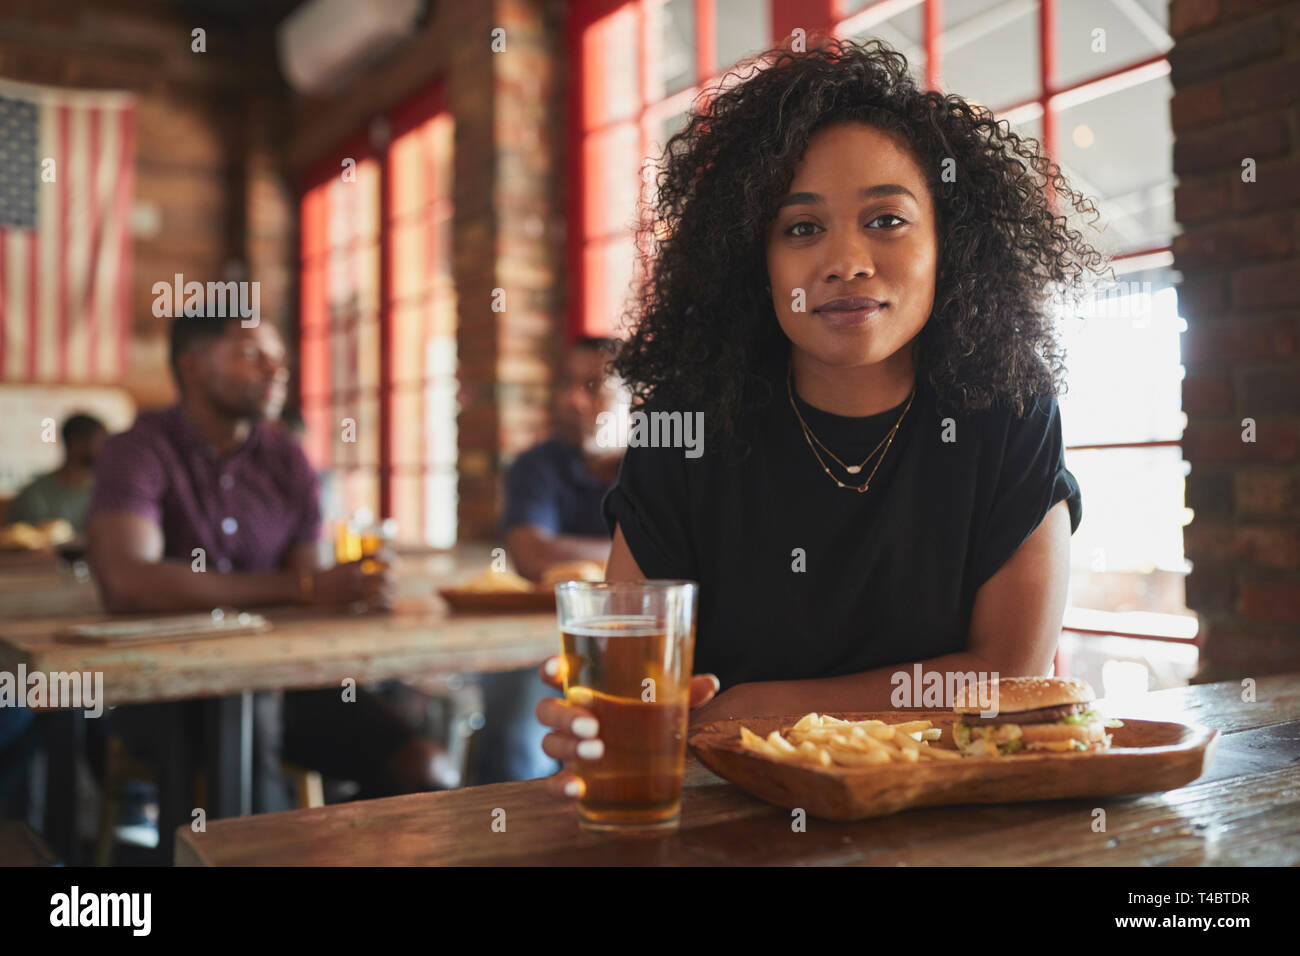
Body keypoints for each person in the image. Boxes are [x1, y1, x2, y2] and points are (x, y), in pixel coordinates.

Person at [537, 38, 1100, 797]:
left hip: (950, 818)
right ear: (752, 260)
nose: (846, 261)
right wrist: (602, 721)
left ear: (950, 245)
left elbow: (1007, 677)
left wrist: (750, 707)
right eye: (801, 229)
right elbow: (635, 672)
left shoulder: (1010, 410)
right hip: (728, 817)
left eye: (888, 221)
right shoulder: (682, 424)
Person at [86, 315, 458, 813]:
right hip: (166, 690)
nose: (277, 369)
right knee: (248, 750)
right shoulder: (137, 449)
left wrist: (346, 595)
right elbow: (129, 583)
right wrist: (302, 587)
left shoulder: (288, 459)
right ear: (191, 365)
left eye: (279, 356)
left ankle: (319, 849)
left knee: (428, 768)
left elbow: (309, 595)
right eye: (251, 354)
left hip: (283, 685)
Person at [469, 338, 624, 784]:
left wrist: (576, 555)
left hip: (638, 639)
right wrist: (635, 552)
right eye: (567, 384)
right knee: (516, 742)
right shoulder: (537, 465)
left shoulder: (662, 463)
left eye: (592, 386)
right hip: (542, 635)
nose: (572, 399)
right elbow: (533, 557)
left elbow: (684, 563)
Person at [5, 413, 107, 533]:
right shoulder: (35, 496)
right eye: (102, 442)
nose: (106, 449)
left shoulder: (108, 491)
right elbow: (18, 540)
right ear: (75, 443)